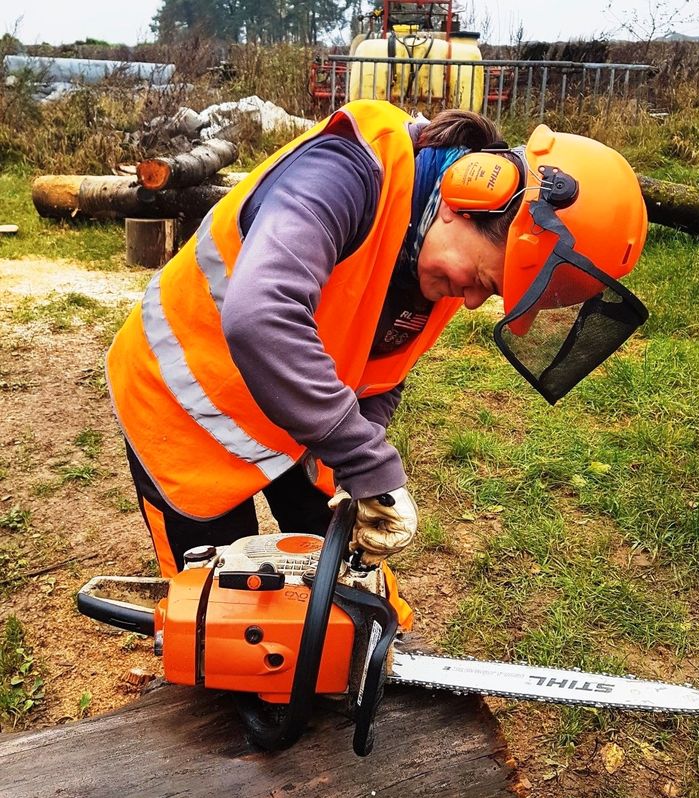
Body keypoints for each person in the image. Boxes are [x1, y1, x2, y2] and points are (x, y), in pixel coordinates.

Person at [107, 99, 648, 579]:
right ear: (467, 202)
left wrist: (357, 458)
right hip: (184, 401)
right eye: (486, 281)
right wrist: (368, 463)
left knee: (332, 581)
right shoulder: (344, 174)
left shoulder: (432, 255)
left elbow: (386, 363)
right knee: (219, 611)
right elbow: (260, 315)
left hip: (288, 408)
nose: (474, 302)